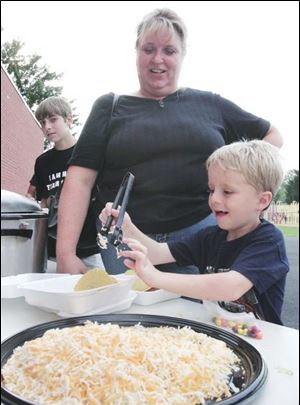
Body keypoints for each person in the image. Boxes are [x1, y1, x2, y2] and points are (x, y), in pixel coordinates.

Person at [56, 8, 283, 275]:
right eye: (148, 48)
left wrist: (248, 187)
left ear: (182, 54)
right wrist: (65, 254)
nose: (158, 58)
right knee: (130, 315)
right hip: (122, 237)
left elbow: (272, 136)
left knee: (202, 313)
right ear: (136, 51)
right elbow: (79, 181)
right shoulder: (110, 107)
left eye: (169, 51)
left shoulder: (210, 104)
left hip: (201, 235)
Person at [100, 140, 289, 325]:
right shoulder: (209, 237)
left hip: (262, 340)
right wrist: (126, 227)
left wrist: (156, 277)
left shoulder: (269, 241)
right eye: (211, 189)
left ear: (262, 201)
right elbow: (158, 253)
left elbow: (231, 287)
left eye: (227, 192)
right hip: (220, 335)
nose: (214, 199)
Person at [27, 96, 103, 270]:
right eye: (42, 122)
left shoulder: (89, 153)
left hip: (92, 247)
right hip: (54, 251)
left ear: (69, 119)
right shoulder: (42, 162)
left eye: (53, 119)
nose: (47, 127)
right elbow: (42, 201)